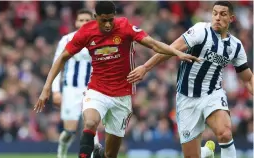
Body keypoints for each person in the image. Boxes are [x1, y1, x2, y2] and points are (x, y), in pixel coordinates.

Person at [34, 1, 199, 158]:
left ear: (114, 16)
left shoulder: (125, 27)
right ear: (96, 17)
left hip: (122, 96)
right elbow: (62, 57)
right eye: (103, 20)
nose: (107, 24)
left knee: (110, 154)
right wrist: (47, 87)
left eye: (110, 20)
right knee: (90, 123)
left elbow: (153, 44)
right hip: (97, 90)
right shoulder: (86, 32)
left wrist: (177, 53)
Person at [127, 1, 253, 158]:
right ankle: (205, 152)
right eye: (215, 13)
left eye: (223, 14)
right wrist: (145, 67)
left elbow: (247, 78)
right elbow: (170, 50)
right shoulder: (200, 31)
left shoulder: (236, 46)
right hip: (186, 98)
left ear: (232, 18)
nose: (217, 17)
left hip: (212, 93)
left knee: (225, 133)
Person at [51, 9, 99, 158]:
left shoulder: (99, 40)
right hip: (71, 90)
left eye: (87, 20)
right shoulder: (66, 40)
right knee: (69, 131)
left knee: (91, 126)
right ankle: (62, 150)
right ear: (76, 22)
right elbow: (56, 65)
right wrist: (55, 91)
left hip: (91, 90)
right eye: (81, 20)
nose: (84, 23)